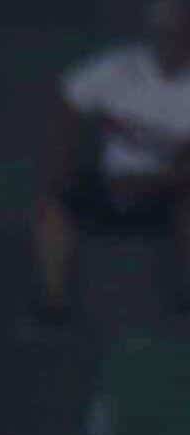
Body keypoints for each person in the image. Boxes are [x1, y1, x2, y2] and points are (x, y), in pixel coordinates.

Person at [34, 1, 190, 321]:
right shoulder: (120, 66)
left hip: (172, 188)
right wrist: (59, 168)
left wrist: (158, 181)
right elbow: (68, 101)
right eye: (165, 33)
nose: (171, 42)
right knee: (53, 205)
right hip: (113, 180)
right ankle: (54, 300)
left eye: (180, 34)